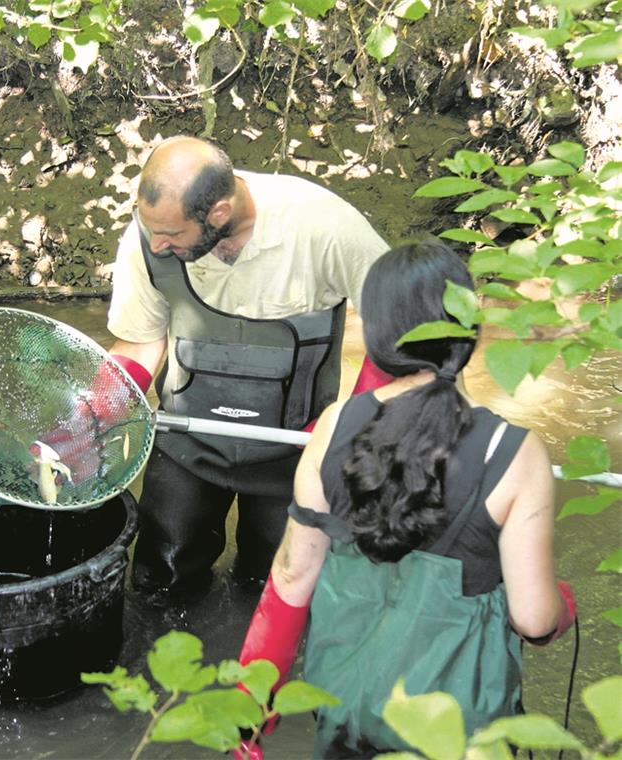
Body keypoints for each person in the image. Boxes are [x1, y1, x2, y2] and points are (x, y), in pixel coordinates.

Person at [236, 239, 577, 758]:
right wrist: (563, 609)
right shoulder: (512, 452)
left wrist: (251, 710)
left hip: (348, 709)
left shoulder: (332, 429)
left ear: (374, 334)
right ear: (469, 328)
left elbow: (290, 578)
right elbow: (534, 620)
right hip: (457, 730)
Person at [103, 135, 391, 601]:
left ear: (218, 213)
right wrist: (96, 412)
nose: (157, 244)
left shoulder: (325, 227)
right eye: (151, 229)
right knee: (160, 587)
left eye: (173, 236)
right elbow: (138, 341)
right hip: (186, 442)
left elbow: (398, 338)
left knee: (276, 588)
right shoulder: (150, 235)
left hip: (296, 448)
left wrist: (348, 424)